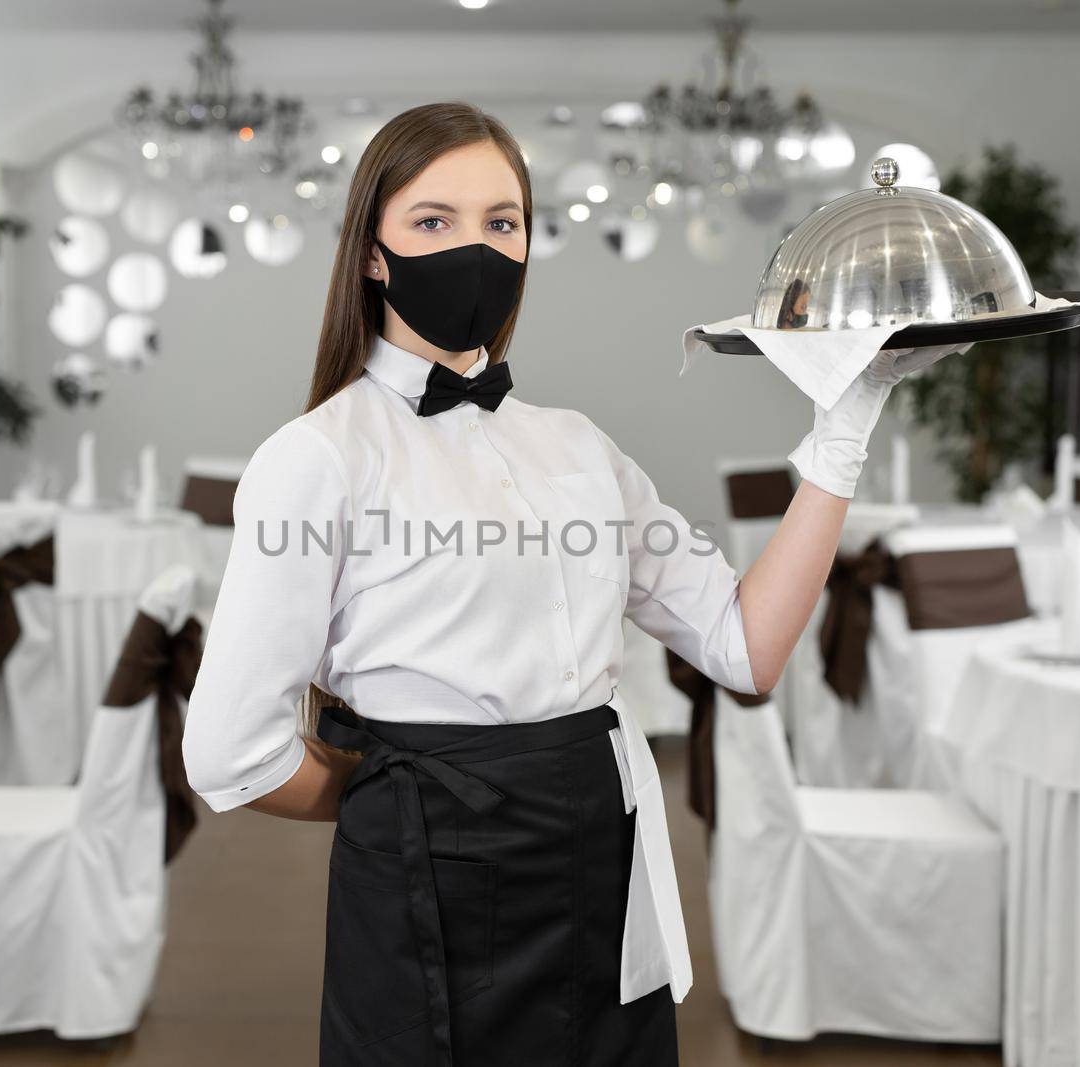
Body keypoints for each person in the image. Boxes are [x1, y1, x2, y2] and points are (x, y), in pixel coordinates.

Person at [182, 101, 945, 1067]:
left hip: (601, 860)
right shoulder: (317, 459)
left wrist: (849, 422)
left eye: (502, 222)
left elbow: (746, 647)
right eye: (433, 221)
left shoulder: (579, 448)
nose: (476, 247)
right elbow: (227, 752)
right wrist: (400, 802)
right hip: (426, 876)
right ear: (372, 254)